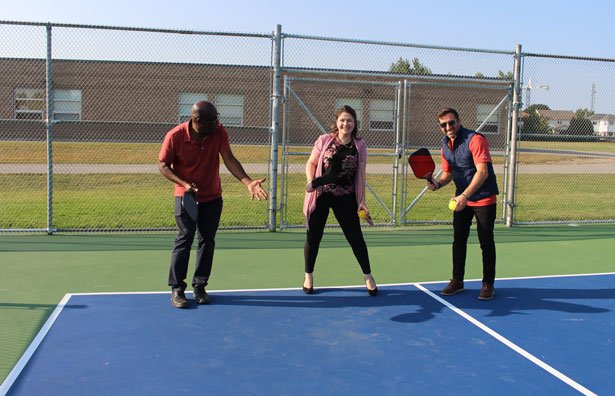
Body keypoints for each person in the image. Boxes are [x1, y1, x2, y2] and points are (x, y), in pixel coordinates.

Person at [158, 100, 268, 308]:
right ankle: (177, 289)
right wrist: (183, 184)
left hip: (212, 197)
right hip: (186, 197)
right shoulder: (175, 136)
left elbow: (229, 158)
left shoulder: (218, 131)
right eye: (213, 119)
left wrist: (247, 182)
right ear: (197, 120)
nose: (217, 123)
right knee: (185, 239)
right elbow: (162, 165)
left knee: (207, 240)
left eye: (218, 118)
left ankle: (199, 286)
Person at [303, 105, 377, 296]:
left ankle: (368, 276)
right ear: (337, 122)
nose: (346, 123)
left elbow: (360, 174)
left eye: (350, 120)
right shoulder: (324, 140)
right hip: (321, 195)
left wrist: (362, 200)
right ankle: (308, 275)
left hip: (346, 196)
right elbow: (311, 162)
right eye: (342, 120)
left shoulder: (359, 145)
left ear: (354, 123)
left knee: (356, 238)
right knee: (313, 237)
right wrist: (312, 182)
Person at [427, 108, 499, 300]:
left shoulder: (475, 140)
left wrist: (465, 195)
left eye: (451, 122)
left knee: (486, 241)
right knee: (459, 240)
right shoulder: (445, 145)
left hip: (483, 197)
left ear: (459, 121)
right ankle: (457, 281)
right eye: (444, 125)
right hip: (462, 199)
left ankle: (487, 284)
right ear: (440, 127)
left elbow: (482, 172)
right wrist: (438, 183)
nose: (448, 127)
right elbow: (448, 173)